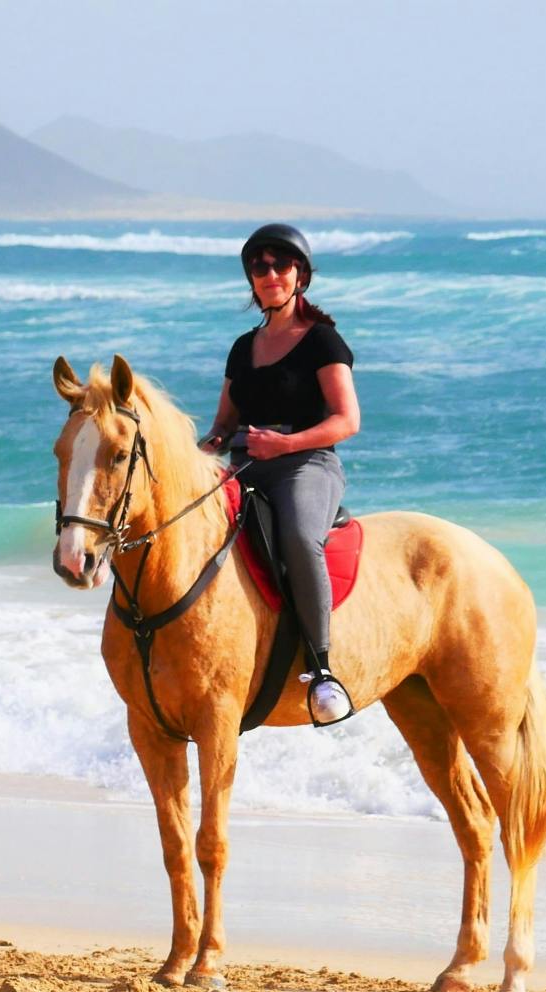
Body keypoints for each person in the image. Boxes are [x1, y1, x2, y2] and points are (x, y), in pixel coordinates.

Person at [199, 224, 362, 725]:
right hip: (246, 463)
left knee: (295, 536)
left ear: (300, 276)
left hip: (306, 464)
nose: (269, 274)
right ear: (251, 280)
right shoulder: (243, 347)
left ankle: (322, 669)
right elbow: (224, 423)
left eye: (280, 265)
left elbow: (347, 420)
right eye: (259, 267)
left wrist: (287, 443)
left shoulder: (322, 342)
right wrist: (207, 448)